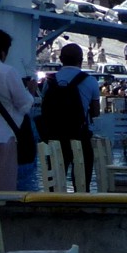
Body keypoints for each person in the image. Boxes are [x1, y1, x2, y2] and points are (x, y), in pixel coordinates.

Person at [40, 43, 100, 192]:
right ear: (81, 59)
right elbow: (95, 112)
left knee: (54, 178)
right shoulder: (90, 81)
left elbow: (44, 107)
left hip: (54, 135)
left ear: (61, 59)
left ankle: (53, 203)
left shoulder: (49, 81)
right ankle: (81, 202)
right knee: (82, 177)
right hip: (79, 134)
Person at [0, 30, 37, 190]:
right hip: (2, 137)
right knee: (0, 189)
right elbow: (25, 104)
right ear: (3, 51)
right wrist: (31, 91)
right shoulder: (7, 72)